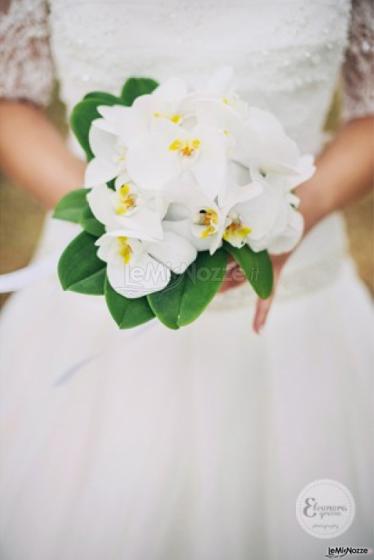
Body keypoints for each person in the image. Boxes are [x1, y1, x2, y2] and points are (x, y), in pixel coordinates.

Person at [0, 1, 373, 559]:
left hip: (297, 299)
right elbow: (9, 103)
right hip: (104, 276)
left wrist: (295, 215)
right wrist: (115, 218)